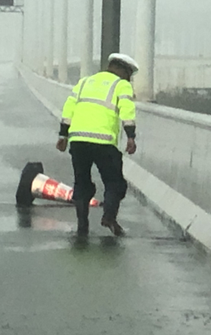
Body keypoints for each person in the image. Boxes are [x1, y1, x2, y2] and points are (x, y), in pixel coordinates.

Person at [56, 53, 139, 237]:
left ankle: (82, 225)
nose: (129, 79)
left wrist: (63, 135)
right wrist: (131, 137)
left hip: (78, 141)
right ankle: (109, 217)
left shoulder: (84, 82)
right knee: (114, 183)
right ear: (124, 71)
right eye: (129, 74)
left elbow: (69, 108)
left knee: (82, 183)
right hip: (103, 142)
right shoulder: (121, 85)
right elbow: (127, 110)